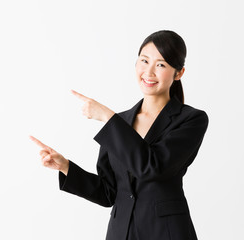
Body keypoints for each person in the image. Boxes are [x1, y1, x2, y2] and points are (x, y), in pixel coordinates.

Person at [30, 30, 209, 240]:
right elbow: (108, 193)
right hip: (121, 232)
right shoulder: (120, 123)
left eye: (160, 64)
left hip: (166, 233)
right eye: (144, 61)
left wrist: (107, 117)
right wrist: (65, 167)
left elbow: (153, 168)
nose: (149, 72)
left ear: (178, 73)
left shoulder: (190, 119)